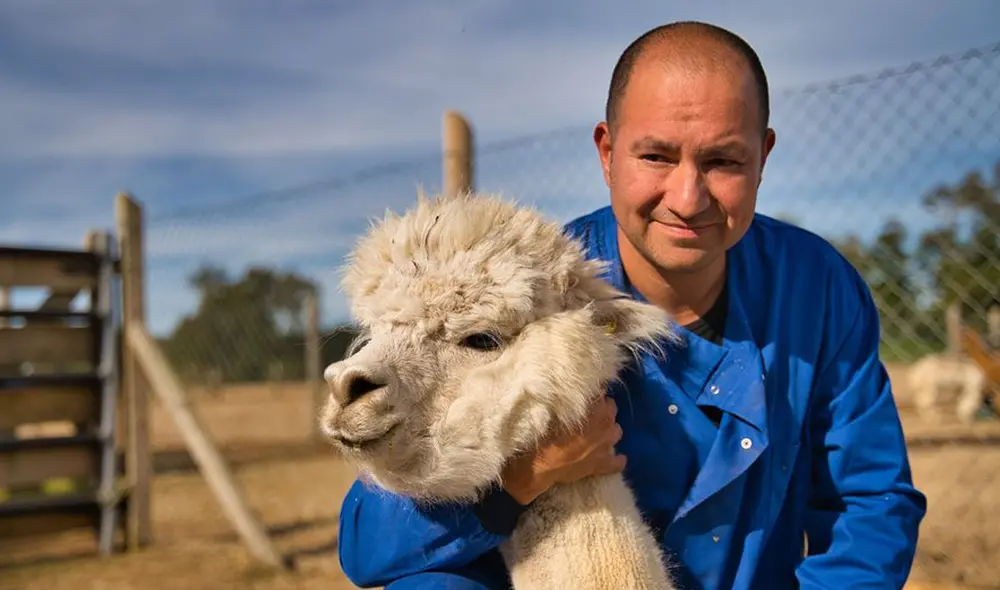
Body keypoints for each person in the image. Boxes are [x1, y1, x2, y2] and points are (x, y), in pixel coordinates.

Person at [335, 20, 927, 589]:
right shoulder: (532, 292)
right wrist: (520, 481)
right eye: (656, 157)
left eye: (723, 161)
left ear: (763, 157)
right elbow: (370, 545)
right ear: (607, 152)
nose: (688, 198)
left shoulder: (815, 289)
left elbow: (869, 501)